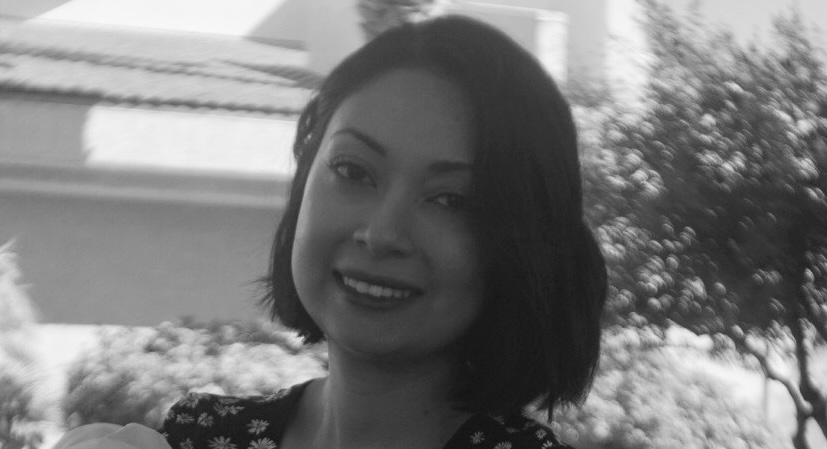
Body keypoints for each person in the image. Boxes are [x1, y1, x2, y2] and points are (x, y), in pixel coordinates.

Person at [162, 14, 606, 449]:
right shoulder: (200, 436)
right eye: (353, 171)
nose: (381, 234)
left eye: (451, 200)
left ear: (524, 243)